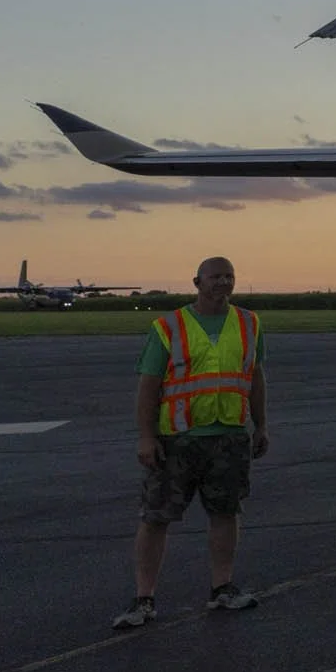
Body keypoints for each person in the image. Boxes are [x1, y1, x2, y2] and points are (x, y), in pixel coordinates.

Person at [111, 255, 268, 629]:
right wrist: (146, 437)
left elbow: (255, 376)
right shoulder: (169, 327)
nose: (223, 283)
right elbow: (149, 385)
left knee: (225, 512)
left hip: (228, 436)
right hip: (177, 440)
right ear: (197, 282)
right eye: (215, 277)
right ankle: (144, 599)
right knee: (156, 517)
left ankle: (222, 588)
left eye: (229, 276)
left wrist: (260, 425)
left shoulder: (249, 323)